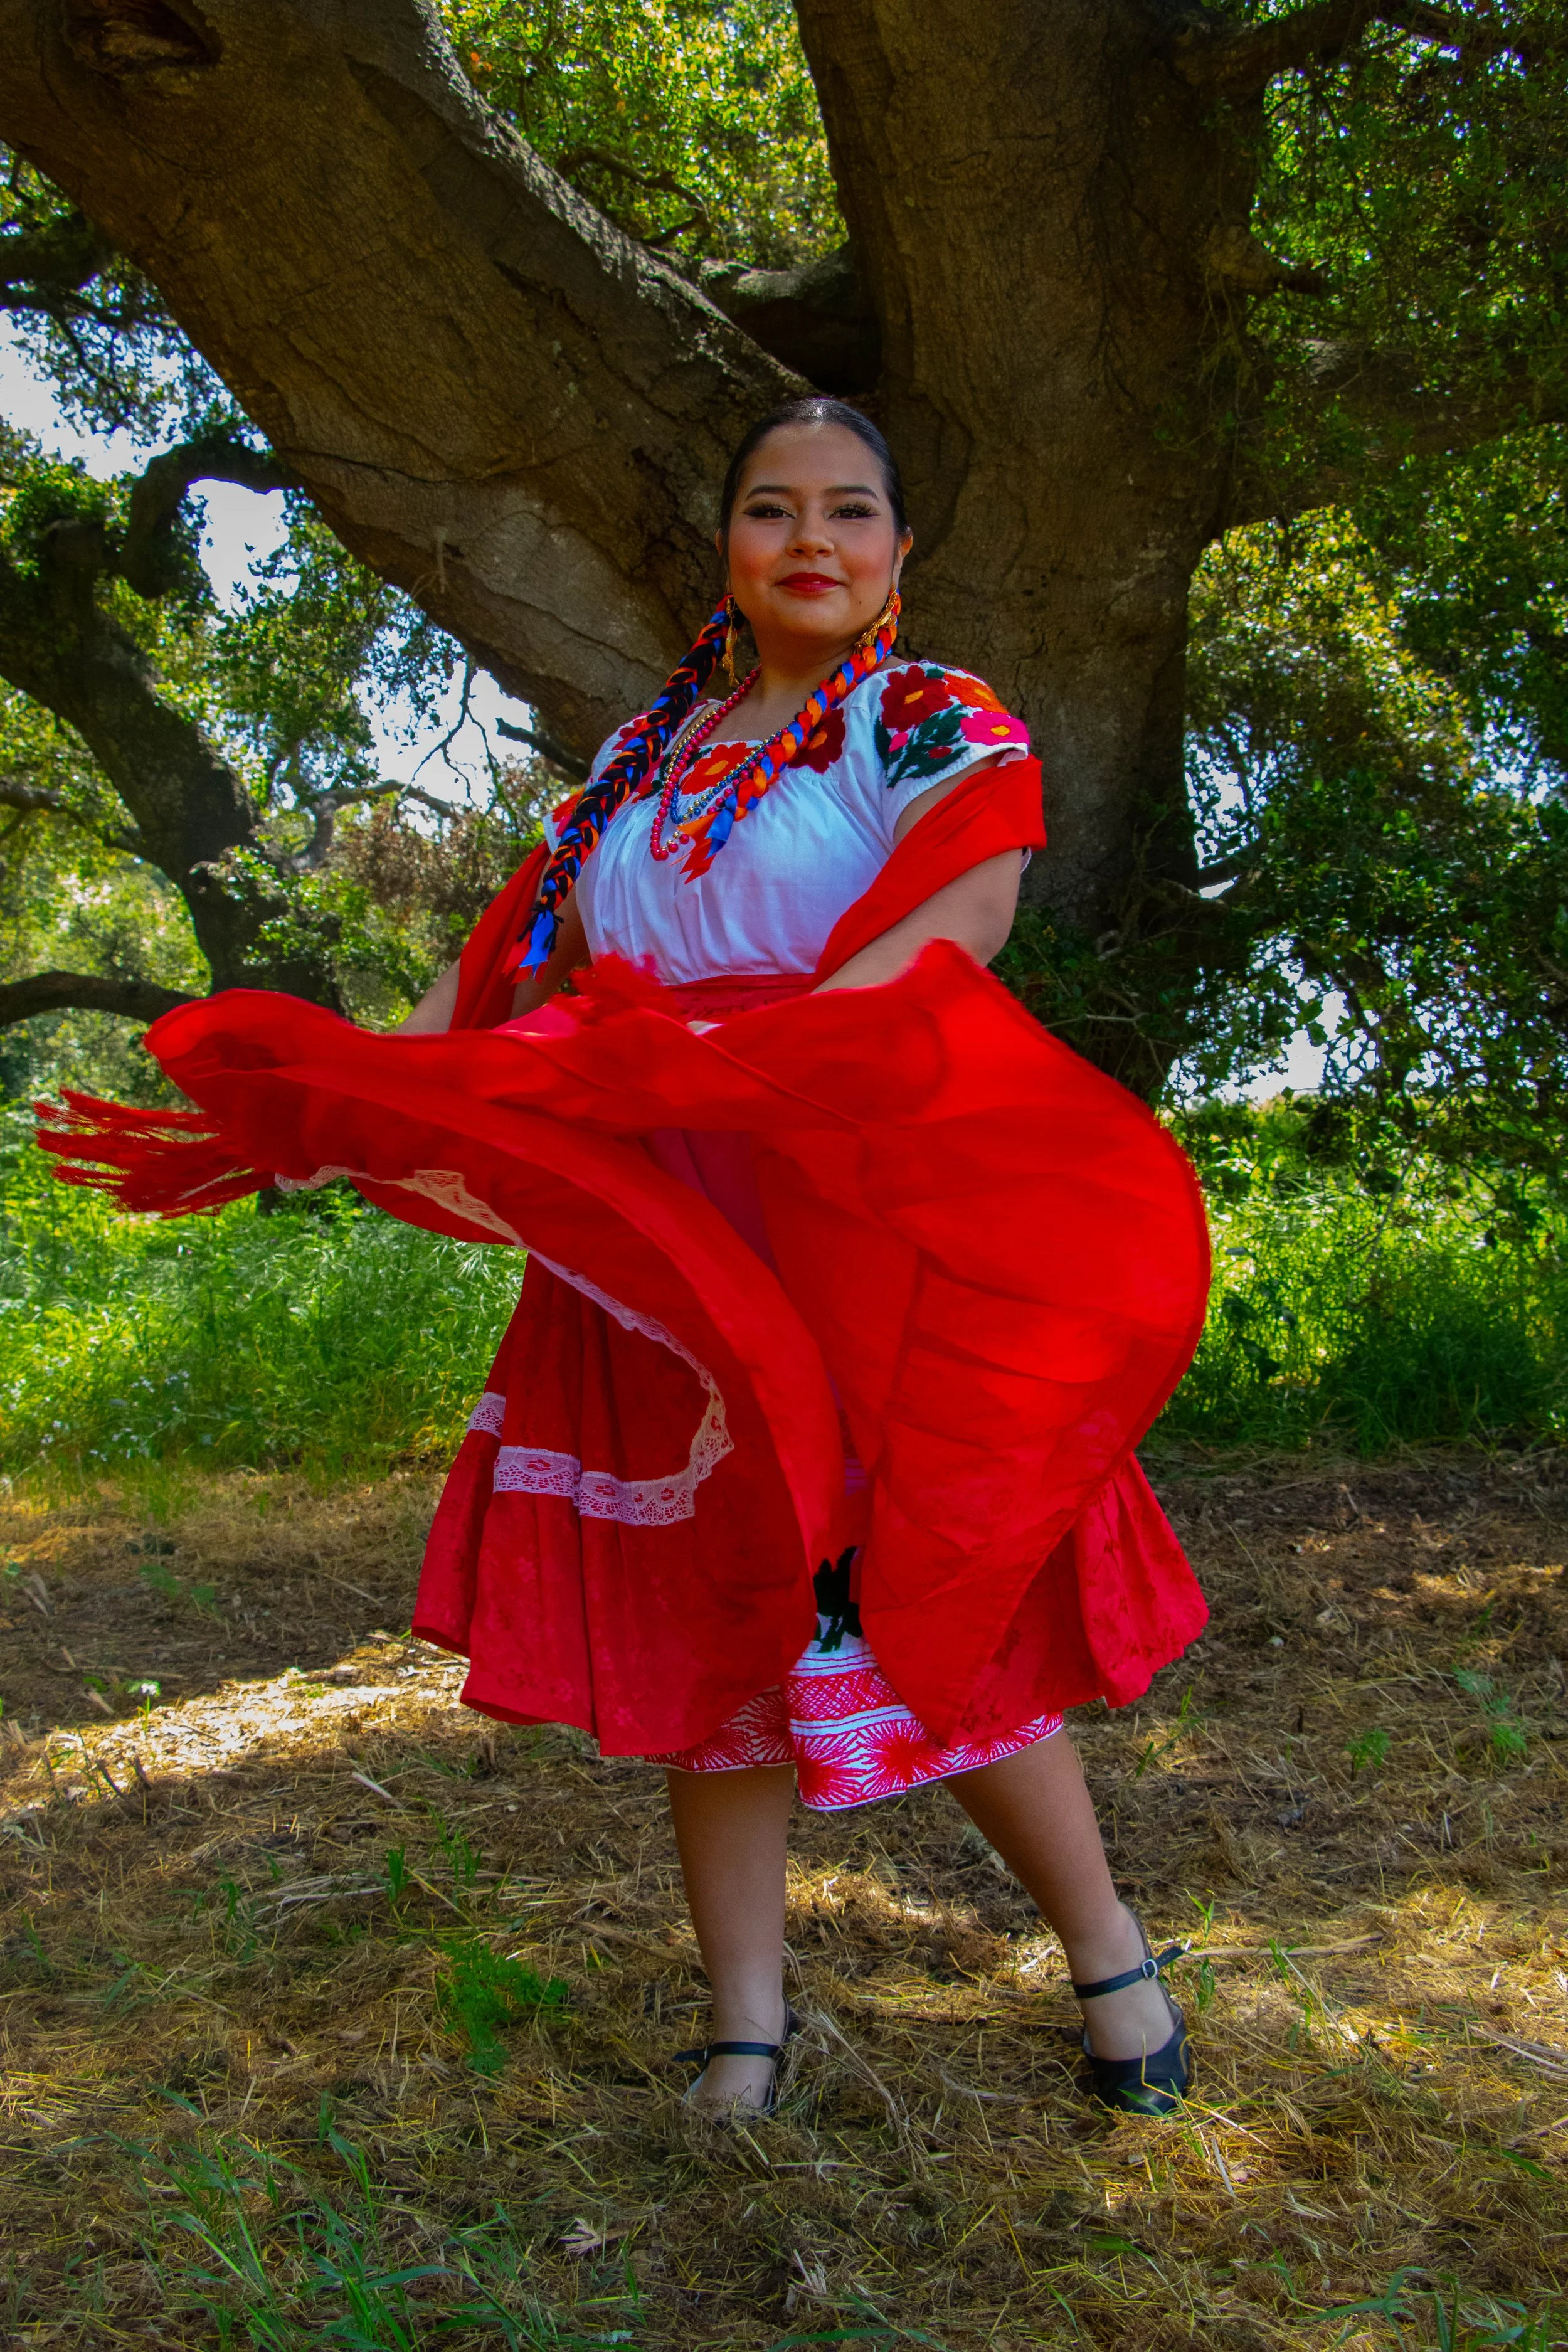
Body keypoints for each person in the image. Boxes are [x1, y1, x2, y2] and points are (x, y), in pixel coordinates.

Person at [38, 398, 1210, 2119]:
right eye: (770, 507)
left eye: (849, 510)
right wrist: (335, 1095)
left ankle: (1110, 1964)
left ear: (897, 551)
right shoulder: (634, 770)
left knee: (913, 1597)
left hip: (847, 1211)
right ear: (727, 546)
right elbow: (489, 987)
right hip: (655, 1251)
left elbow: (954, 936)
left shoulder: (931, 724)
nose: (809, 537)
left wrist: (735, 1063)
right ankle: (745, 2022)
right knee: (712, 1631)